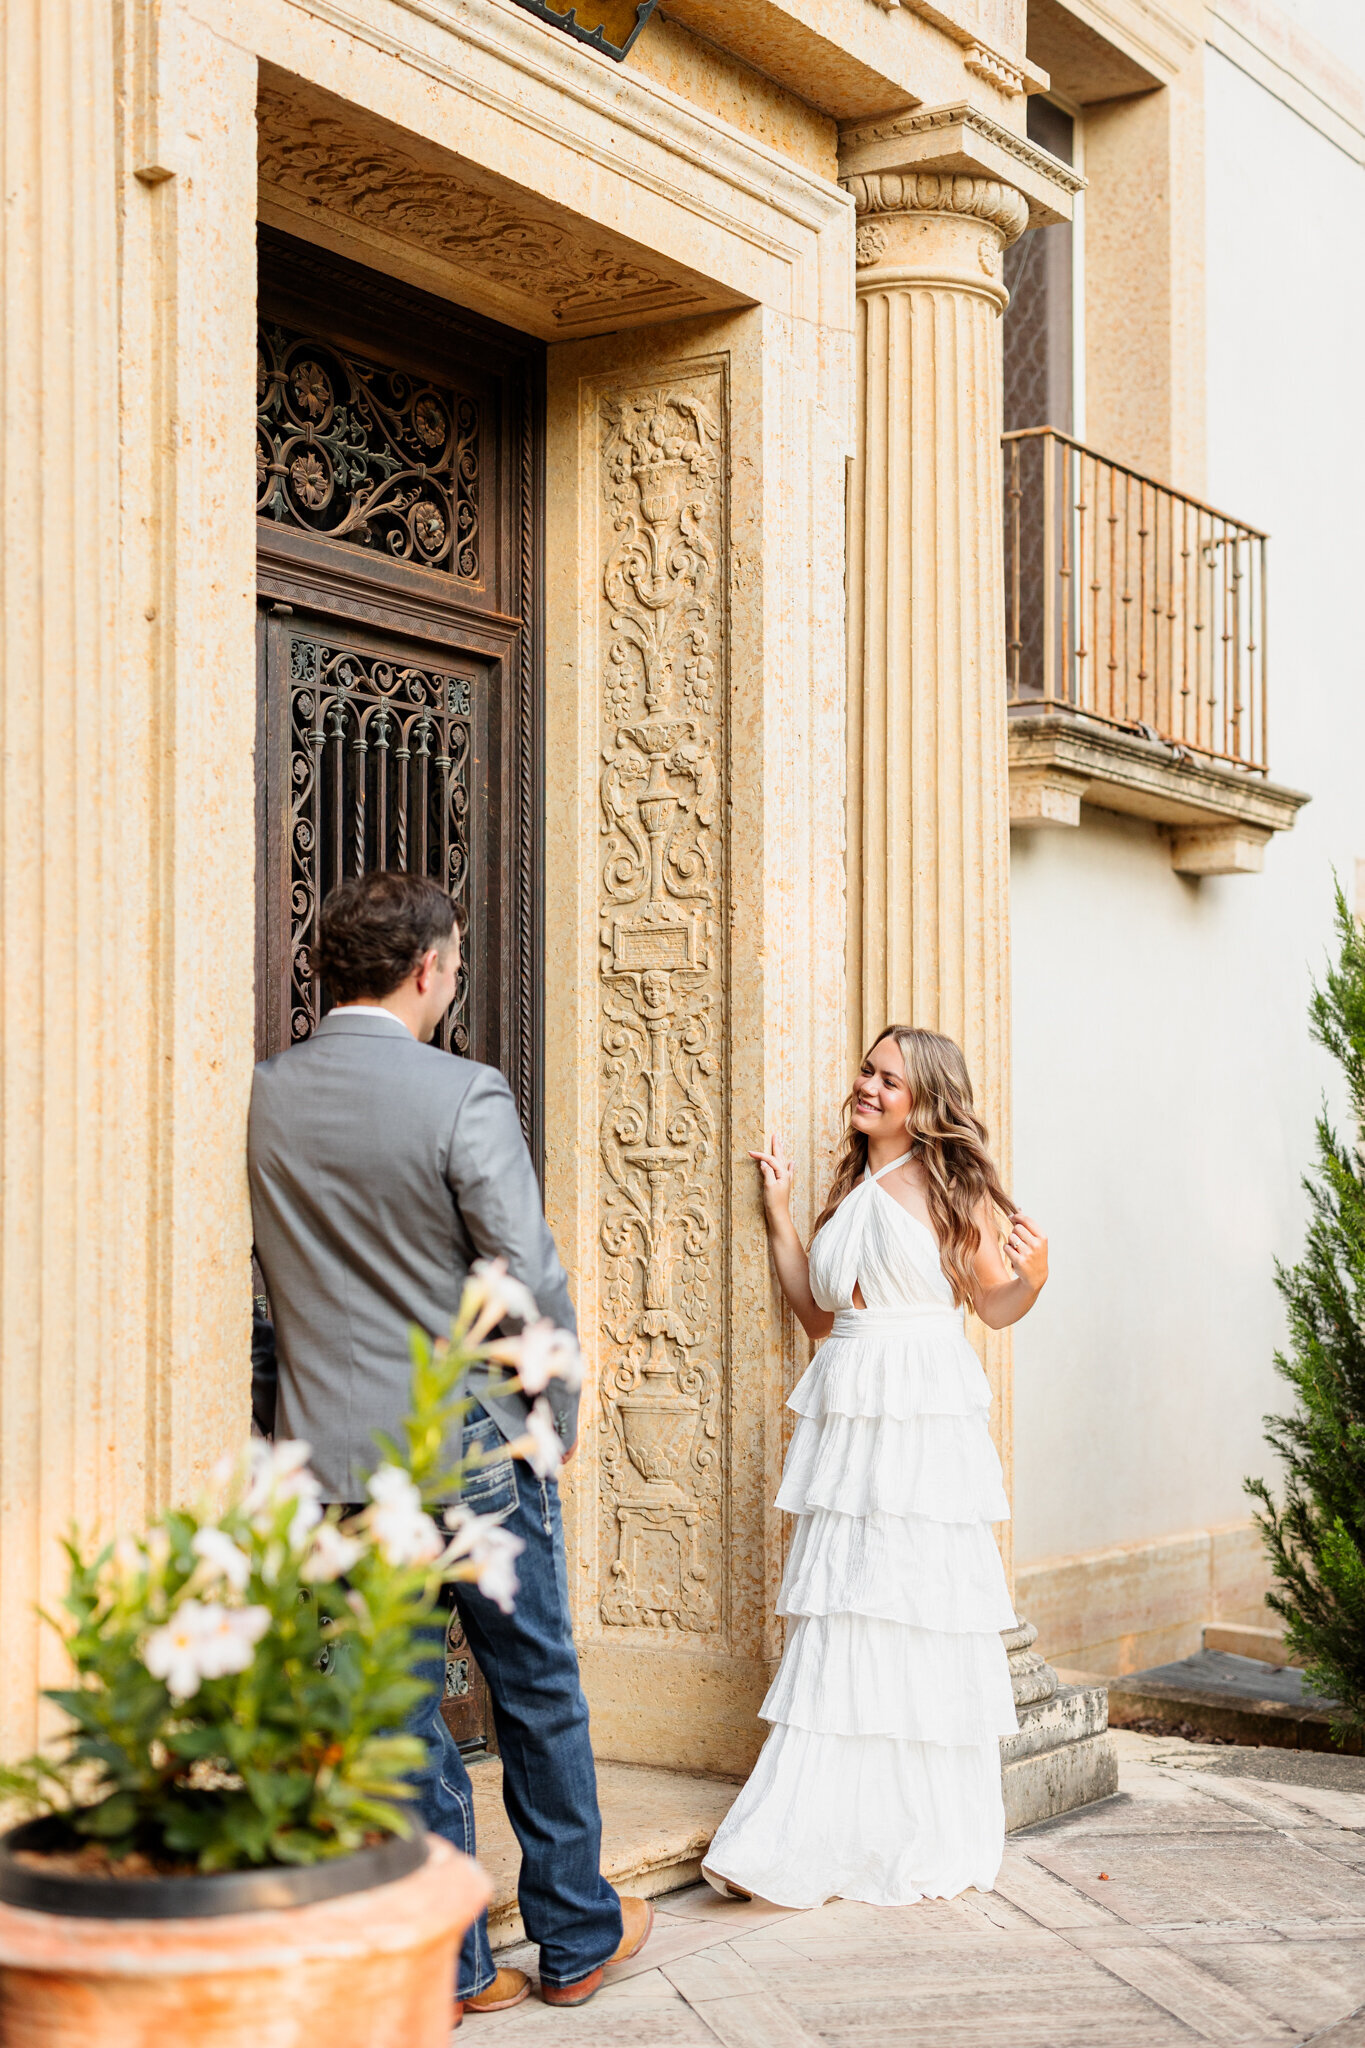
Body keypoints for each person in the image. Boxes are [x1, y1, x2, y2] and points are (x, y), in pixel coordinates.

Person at [247, 870, 653, 2023]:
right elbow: (526, 1274)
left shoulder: (264, 1094)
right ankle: (575, 1935)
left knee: (391, 1710)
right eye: (459, 959)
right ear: (429, 967)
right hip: (470, 1441)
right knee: (536, 1686)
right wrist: (556, 1413)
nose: (458, 976)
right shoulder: (463, 1092)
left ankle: (456, 1966)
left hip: (331, 1451)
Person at [701, 1025, 1049, 1908]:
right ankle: (814, 1818)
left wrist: (1033, 1279)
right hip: (849, 1404)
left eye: (888, 1079)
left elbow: (996, 1306)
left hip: (916, 1410)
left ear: (925, 1101)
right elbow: (817, 1318)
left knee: (903, 1602)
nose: (866, 1086)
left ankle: (903, 1823)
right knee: (844, 1602)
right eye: (866, 1069)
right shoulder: (852, 1186)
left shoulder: (949, 1189)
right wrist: (778, 1211)